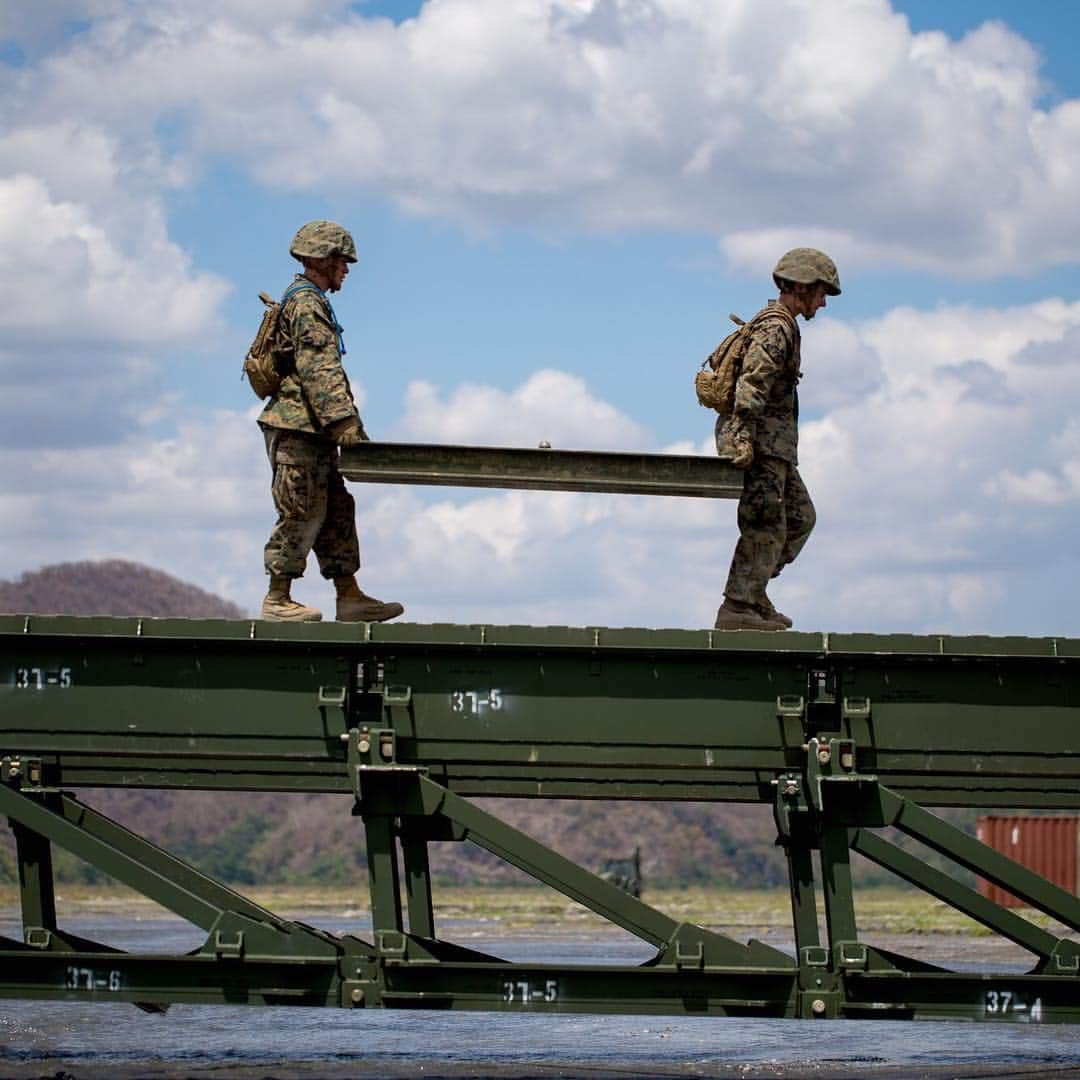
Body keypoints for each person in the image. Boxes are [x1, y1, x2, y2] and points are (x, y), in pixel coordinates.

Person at [258, 220, 404, 623]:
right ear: (324, 259)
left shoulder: (311, 301)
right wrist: (343, 422)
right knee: (300, 509)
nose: (347, 270)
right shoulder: (307, 304)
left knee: (336, 508)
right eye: (343, 261)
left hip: (312, 429)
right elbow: (318, 367)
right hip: (298, 429)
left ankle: (349, 595)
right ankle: (277, 598)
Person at [713, 248, 841, 631]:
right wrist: (742, 437)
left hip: (775, 447)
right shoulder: (776, 327)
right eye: (820, 293)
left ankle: (753, 593)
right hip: (760, 445)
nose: (822, 302)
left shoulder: (784, 324)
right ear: (802, 287)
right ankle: (738, 607)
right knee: (764, 523)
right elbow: (753, 383)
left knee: (800, 518)